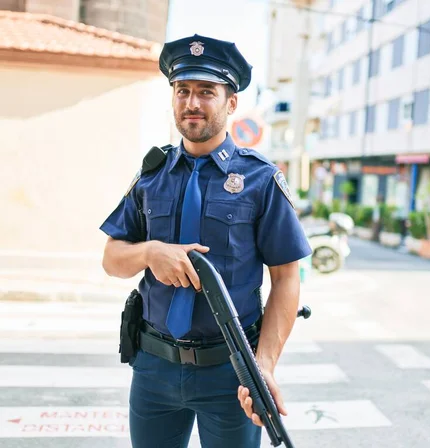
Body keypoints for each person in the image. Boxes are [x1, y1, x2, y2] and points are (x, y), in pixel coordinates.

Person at [100, 34, 312, 448]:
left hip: (231, 373)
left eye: (206, 92)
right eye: (183, 91)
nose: (191, 103)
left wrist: (262, 367)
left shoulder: (260, 179)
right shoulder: (151, 175)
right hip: (154, 368)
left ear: (231, 102)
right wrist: (149, 252)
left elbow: (287, 278)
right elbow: (112, 259)